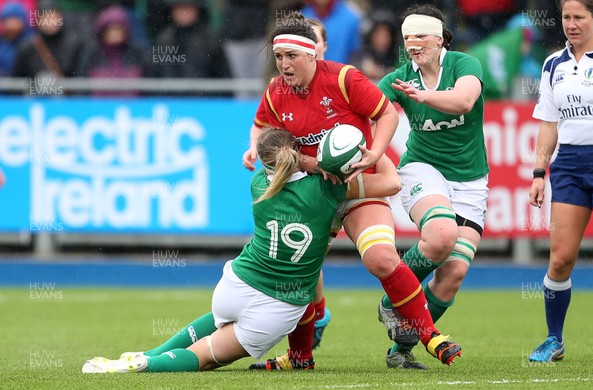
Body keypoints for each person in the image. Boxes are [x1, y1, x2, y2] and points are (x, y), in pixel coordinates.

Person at [81, 127, 402, 373]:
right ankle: (145, 366)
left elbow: (277, 159)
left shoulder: (260, 184)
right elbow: (391, 182)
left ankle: (146, 355)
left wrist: (306, 161)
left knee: (217, 323)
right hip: (278, 307)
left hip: (237, 284)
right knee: (204, 359)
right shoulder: (330, 188)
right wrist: (371, 150)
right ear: (300, 153)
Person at [242, 14, 462, 370]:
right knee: (301, 279)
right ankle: (300, 358)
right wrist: (254, 148)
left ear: (312, 54)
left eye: (290, 56)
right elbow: (262, 126)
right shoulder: (276, 91)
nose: (283, 64)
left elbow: (386, 113)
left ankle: (429, 335)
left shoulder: (344, 78)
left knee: (381, 259)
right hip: (314, 193)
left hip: (356, 188)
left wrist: (376, 153)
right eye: (278, 56)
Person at [375, 4, 488, 369]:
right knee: (441, 236)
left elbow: (465, 100)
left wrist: (423, 97)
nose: (413, 44)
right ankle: (393, 300)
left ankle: (402, 348)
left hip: (470, 182)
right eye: (407, 37)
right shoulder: (399, 78)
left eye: (421, 35)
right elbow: (367, 111)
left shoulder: (463, 65)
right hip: (422, 169)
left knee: (453, 274)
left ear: (439, 38)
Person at [528, 0, 593, 363]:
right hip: (569, 164)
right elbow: (548, 122)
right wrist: (539, 173)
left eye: (579, 17)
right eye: (566, 17)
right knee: (560, 259)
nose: (571, 24)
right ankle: (554, 339)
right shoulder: (552, 64)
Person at [75, 4, 151, 96]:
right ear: (103, 32)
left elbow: (148, 87)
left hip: (133, 108)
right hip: (97, 108)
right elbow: (82, 87)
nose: (115, 33)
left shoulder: (137, 53)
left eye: (118, 29)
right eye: (111, 30)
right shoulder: (92, 54)